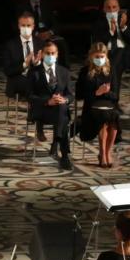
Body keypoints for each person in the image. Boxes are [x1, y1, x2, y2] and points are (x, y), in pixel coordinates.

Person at [26, 37, 75, 170]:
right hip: (42, 111)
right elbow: (29, 96)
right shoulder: (34, 73)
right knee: (63, 116)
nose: (50, 56)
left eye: (53, 53)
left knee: (62, 107)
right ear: (42, 54)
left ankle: (61, 151)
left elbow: (70, 95)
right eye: (48, 53)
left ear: (57, 54)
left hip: (59, 112)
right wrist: (48, 101)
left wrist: (64, 99)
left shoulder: (64, 72)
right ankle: (59, 146)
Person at [76, 41, 122, 168]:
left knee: (113, 118)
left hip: (109, 105)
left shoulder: (111, 71)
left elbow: (116, 96)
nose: (99, 59)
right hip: (92, 106)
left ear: (106, 56)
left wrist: (105, 93)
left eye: (102, 57)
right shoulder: (84, 72)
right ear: (91, 57)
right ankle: (102, 153)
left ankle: (107, 152)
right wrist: (96, 93)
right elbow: (79, 95)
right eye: (97, 57)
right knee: (103, 119)